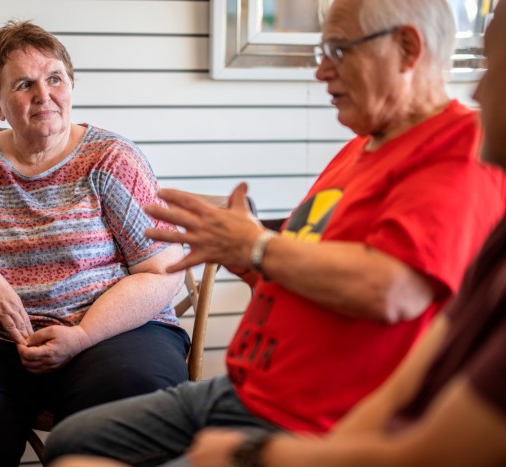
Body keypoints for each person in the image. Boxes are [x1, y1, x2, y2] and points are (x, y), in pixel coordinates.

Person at [42, 0, 506, 465]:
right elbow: (304, 274)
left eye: (338, 50)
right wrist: (245, 258)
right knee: (71, 438)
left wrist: (257, 245)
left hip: (312, 422)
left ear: (406, 48)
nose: (322, 71)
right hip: (248, 390)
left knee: (79, 456)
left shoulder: (458, 146)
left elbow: (390, 289)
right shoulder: (360, 148)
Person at [0, 20, 190, 466]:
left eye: (55, 78)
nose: (43, 94)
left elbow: (163, 271)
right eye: (23, 84)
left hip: (113, 335)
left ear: (71, 85)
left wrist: (83, 334)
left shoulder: (110, 158)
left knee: (132, 399)